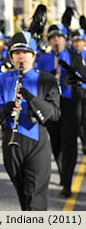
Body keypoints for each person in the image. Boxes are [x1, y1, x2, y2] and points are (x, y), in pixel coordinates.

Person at [0, 31, 60, 210]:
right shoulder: (3, 79)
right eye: (16, 53)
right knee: (24, 195)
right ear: (12, 56)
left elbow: (54, 113)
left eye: (25, 52)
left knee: (35, 195)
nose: (21, 56)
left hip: (37, 143)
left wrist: (31, 98)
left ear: (33, 55)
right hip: (11, 143)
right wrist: (6, 109)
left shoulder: (46, 79)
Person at [36, 24, 86, 197]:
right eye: (53, 38)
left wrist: (71, 71)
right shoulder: (43, 58)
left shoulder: (74, 56)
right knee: (55, 143)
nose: (56, 40)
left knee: (69, 142)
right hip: (52, 104)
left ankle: (68, 182)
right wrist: (51, 74)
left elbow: (83, 75)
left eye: (59, 37)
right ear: (49, 41)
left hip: (71, 103)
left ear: (64, 39)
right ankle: (63, 171)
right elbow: (37, 79)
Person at [70, 29, 86, 155]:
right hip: (78, 90)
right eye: (75, 41)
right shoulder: (71, 56)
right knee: (79, 118)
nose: (77, 43)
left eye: (79, 41)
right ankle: (84, 143)